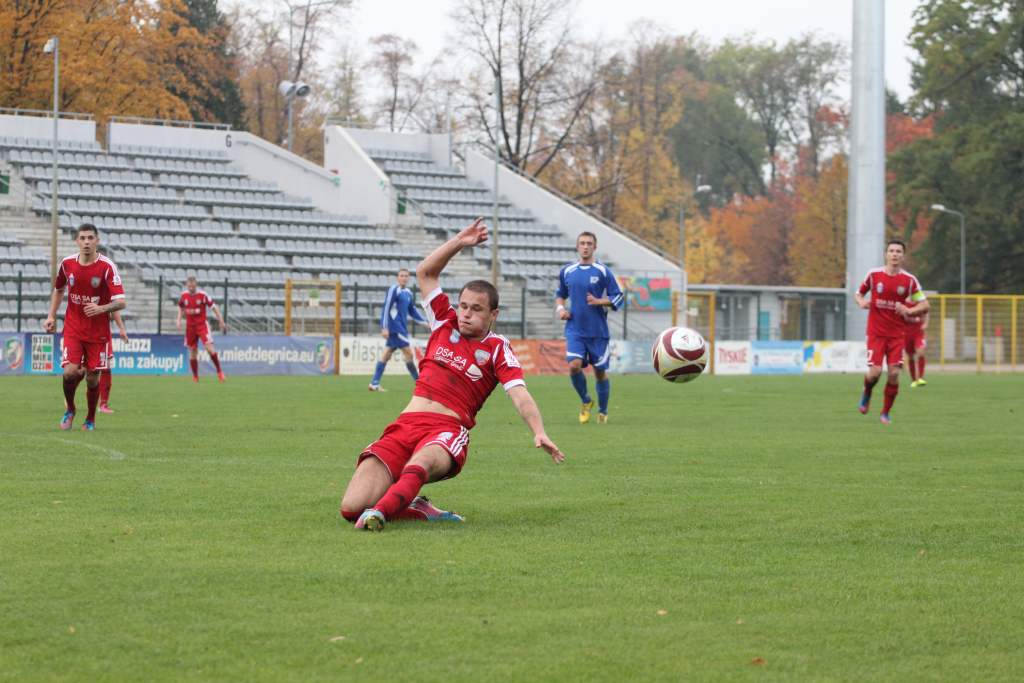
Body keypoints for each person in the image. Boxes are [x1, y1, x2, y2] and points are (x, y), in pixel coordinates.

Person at [340, 218, 565, 532]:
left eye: (476, 309)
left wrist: (538, 431)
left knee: (421, 463)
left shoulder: (498, 348)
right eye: (463, 306)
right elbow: (426, 272)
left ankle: (379, 514)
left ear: (493, 315)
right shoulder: (443, 321)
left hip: (446, 430)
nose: (466, 314)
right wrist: (459, 241)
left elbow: (519, 394)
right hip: (405, 425)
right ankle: (415, 507)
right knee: (351, 507)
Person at [45, 223, 127, 431]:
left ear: (97, 240)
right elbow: (59, 289)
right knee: (69, 372)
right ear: (77, 241)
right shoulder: (67, 264)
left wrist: (101, 309)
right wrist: (51, 316)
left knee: (92, 378)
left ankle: (90, 418)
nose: (87, 242)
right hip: (73, 327)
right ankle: (70, 409)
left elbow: (121, 302)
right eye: (82, 238)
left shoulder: (107, 266)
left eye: (90, 238)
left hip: (98, 332)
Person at [854, 239, 929, 424]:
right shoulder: (874, 275)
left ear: (903, 256)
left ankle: (885, 412)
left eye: (898, 251)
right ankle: (867, 392)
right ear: (886, 254)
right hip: (876, 333)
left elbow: (925, 304)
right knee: (875, 372)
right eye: (892, 251)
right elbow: (858, 293)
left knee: (894, 373)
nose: (895, 254)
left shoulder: (909, 281)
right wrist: (861, 302)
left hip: (897, 335)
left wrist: (909, 310)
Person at [555, 231, 624, 424]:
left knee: (599, 372)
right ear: (577, 247)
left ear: (595, 247)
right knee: (574, 366)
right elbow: (560, 294)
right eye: (582, 243)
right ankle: (586, 401)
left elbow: (618, 296)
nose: (585, 246)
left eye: (589, 243)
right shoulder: (567, 271)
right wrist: (561, 309)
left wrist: (598, 301)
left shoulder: (602, 271)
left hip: (598, 332)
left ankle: (603, 411)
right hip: (575, 329)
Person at [368, 268, 428, 391]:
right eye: (401, 275)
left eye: (406, 276)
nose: (404, 278)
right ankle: (419, 383)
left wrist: (425, 322)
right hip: (395, 328)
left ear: (408, 278)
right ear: (397, 277)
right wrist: (384, 327)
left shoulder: (408, 293)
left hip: (401, 328)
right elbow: (386, 308)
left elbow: (412, 311)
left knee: (386, 354)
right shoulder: (394, 289)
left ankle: (374, 383)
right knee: (409, 354)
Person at [176, 276, 227, 383]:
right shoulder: (183, 296)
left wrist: (221, 321)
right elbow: (181, 307)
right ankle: (195, 376)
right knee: (193, 352)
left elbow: (214, 307)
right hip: (190, 328)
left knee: (209, 349)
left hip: (202, 326)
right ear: (187, 285)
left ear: (196, 285)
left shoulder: (203, 295)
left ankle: (219, 371)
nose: (191, 288)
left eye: (193, 286)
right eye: (189, 286)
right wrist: (179, 320)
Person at [97, 310, 128, 414]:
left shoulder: (107, 294)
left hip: (102, 332)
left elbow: (114, 306)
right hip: (83, 331)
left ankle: (103, 404)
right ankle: (70, 398)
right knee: (81, 369)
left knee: (107, 366)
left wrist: (121, 328)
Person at [905, 309, 929, 387]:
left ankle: (921, 378)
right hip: (907, 333)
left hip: (919, 332)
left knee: (921, 352)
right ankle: (914, 380)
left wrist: (925, 323)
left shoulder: (919, 298)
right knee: (910, 355)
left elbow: (926, 311)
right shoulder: (904, 300)